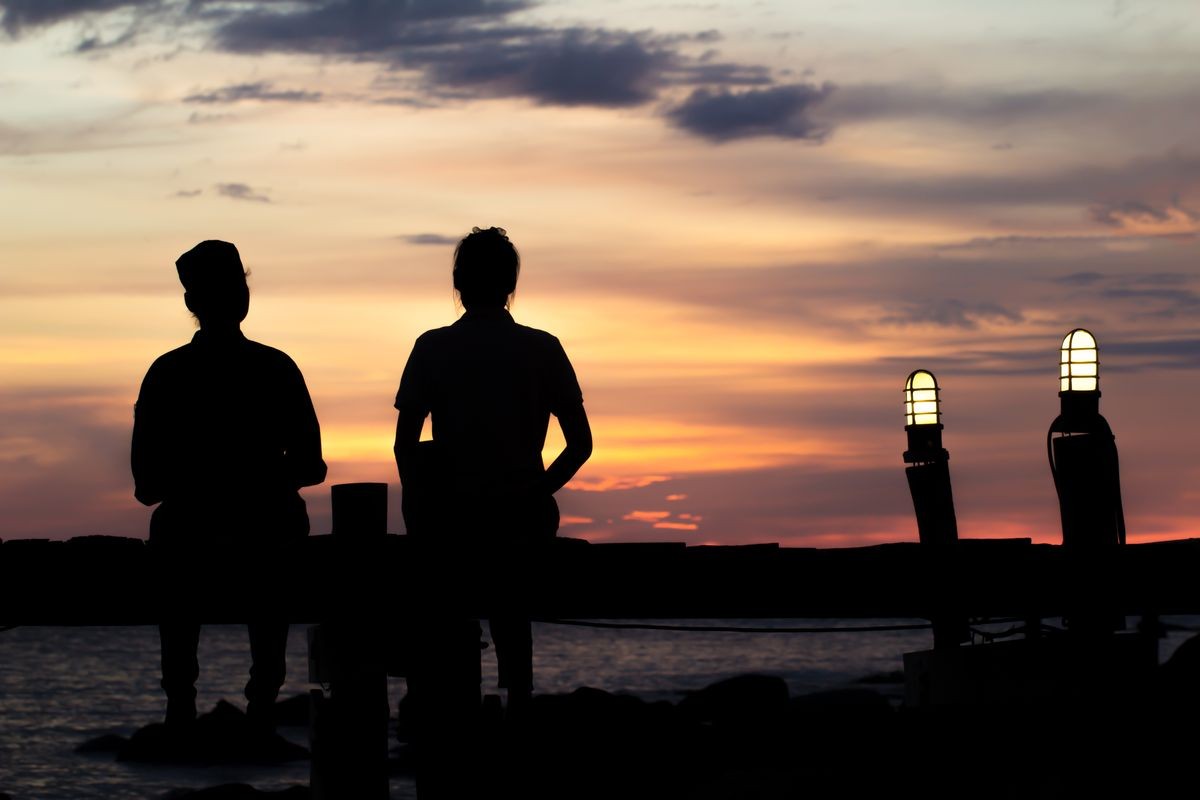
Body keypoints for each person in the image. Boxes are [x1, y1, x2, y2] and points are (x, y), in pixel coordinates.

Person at [393, 226, 593, 709]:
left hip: (450, 519)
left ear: (458, 282)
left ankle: (448, 710)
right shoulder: (543, 347)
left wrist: (420, 512)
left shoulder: (432, 347)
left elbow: (405, 447)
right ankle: (518, 700)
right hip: (522, 516)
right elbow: (580, 445)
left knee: (446, 620)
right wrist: (535, 491)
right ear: (511, 285)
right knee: (512, 606)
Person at [131, 240, 327, 730]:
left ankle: (180, 706)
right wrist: (259, 478)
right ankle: (262, 702)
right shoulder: (276, 368)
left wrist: (198, 483)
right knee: (275, 552)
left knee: (175, 543)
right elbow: (312, 467)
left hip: (190, 537)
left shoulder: (167, 374)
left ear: (190, 303)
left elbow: (145, 484)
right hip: (265, 532)